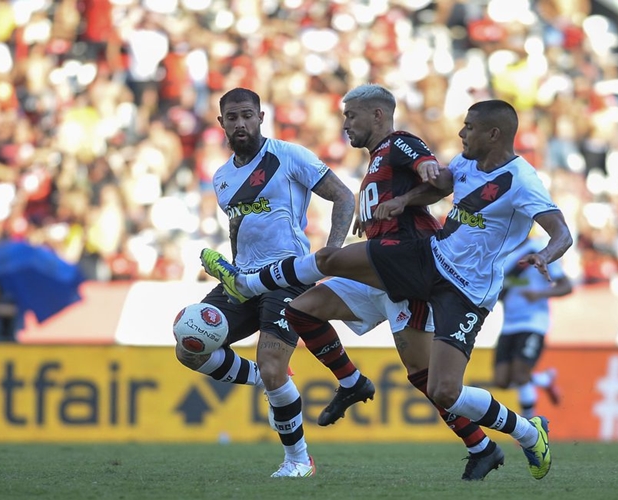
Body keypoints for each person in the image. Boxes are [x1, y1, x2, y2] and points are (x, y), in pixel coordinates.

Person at [202, 99, 573, 480]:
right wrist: (404, 199)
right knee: (303, 304)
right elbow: (440, 184)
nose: (461, 133)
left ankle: (525, 433)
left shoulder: (514, 178)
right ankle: (349, 380)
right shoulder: (463, 162)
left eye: (469, 127)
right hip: (429, 263)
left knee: (442, 388)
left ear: (493, 134)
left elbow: (562, 232)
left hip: (463, 289)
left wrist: (546, 254)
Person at [276, 84, 505, 480]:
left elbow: (433, 174)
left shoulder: (399, 142)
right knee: (301, 310)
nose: (346, 124)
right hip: (376, 269)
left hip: (407, 270)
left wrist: (424, 175)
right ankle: (352, 382)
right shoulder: (376, 161)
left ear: (378, 115)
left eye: (352, 116)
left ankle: (483, 446)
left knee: (425, 377)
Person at [175, 88, 355, 478]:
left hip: (285, 278)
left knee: (274, 366)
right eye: (232, 117)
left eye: (247, 115)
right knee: (188, 347)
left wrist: (333, 253)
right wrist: (230, 269)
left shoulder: (288, 156)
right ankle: (265, 379)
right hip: (242, 281)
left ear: (261, 117)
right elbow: (240, 229)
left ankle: (298, 460)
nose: (240, 123)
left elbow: (343, 197)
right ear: (221, 123)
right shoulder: (222, 177)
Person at [493, 234, 572, 419]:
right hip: (509, 323)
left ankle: (530, 427)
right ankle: (544, 379)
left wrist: (540, 294)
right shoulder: (502, 251)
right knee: (501, 380)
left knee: (520, 375)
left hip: (533, 321)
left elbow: (567, 286)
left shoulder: (538, 250)